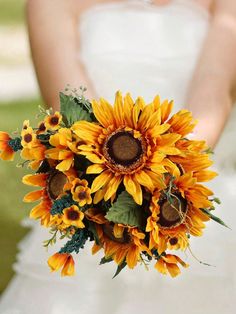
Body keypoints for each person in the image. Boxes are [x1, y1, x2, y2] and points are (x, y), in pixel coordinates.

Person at [0, 0, 236, 313]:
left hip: (184, 188)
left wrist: (164, 184)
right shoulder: (49, 4)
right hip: (94, 187)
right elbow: (72, 105)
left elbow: (214, 89)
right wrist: (118, 190)